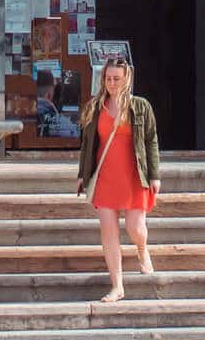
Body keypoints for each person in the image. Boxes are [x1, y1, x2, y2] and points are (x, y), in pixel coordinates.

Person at [74, 56, 160, 304]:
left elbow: (151, 140)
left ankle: (143, 251)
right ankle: (117, 286)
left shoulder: (140, 106)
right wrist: (83, 175)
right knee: (109, 232)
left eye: (117, 79)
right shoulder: (95, 107)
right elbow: (88, 145)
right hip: (105, 176)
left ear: (127, 79)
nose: (112, 83)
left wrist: (154, 175)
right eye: (108, 78)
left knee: (135, 228)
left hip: (134, 175)